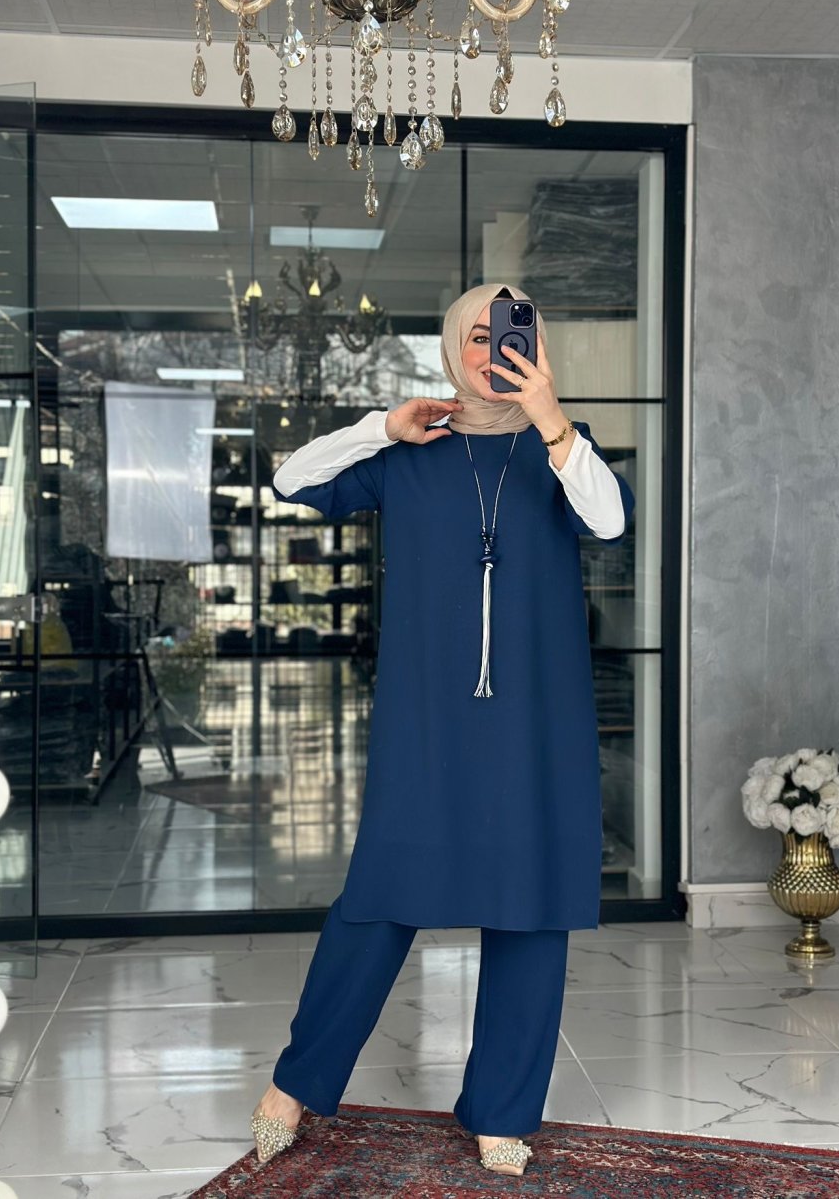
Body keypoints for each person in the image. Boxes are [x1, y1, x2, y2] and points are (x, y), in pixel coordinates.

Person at [251, 282, 634, 1178]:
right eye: (477, 335)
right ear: (452, 347)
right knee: (383, 894)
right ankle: (297, 1080)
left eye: (512, 334)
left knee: (531, 903)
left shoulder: (562, 448)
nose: (493, 350)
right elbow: (289, 478)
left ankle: (503, 1107)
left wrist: (553, 419)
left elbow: (611, 520)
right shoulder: (408, 451)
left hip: (537, 719)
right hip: (426, 719)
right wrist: (379, 427)